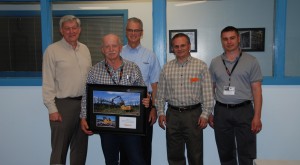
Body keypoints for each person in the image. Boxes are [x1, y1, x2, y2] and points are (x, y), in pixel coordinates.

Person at [80, 33, 150, 165]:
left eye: (114, 46)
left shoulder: (133, 67)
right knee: (111, 161)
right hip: (107, 126)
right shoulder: (94, 71)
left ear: (120, 48)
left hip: (129, 125)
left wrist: (146, 100)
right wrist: (83, 117)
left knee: (137, 160)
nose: (111, 49)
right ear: (102, 50)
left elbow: (143, 92)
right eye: (107, 46)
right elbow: (86, 96)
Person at [156, 33, 214, 165]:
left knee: (195, 154)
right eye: (176, 46)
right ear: (172, 48)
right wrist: (160, 112)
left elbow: (208, 95)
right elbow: (160, 95)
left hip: (193, 115)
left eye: (183, 45)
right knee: (174, 155)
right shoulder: (166, 68)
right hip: (173, 115)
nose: (179, 48)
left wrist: (205, 115)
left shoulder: (201, 66)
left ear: (189, 46)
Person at [208, 26, 263, 165]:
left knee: (246, 153)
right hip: (221, 111)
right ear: (221, 41)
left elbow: (257, 90)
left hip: (244, 111)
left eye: (232, 38)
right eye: (225, 39)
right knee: (225, 152)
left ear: (238, 39)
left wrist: (257, 116)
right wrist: (209, 112)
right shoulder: (215, 62)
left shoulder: (251, 61)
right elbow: (210, 89)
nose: (229, 42)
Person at [42, 15, 92, 165]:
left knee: (80, 149)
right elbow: (47, 81)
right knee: (59, 151)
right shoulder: (52, 50)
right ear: (61, 31)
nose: (71, 31)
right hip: (63, 106)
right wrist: (52, 109)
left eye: (74, 28)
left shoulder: (85, 49)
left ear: (79, 29)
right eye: (67, 28)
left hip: (83, 105)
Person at [120, 17, 161, 165]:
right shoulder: (118, 53)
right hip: (122, 107)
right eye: (130, 30)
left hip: (144, 106)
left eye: (136, 30)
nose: (133, 33)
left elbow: (155, 84)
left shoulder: (150, 55)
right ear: (126, 32)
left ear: (141, 33)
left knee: (143, 149)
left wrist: (154, 108)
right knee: (124, 149)